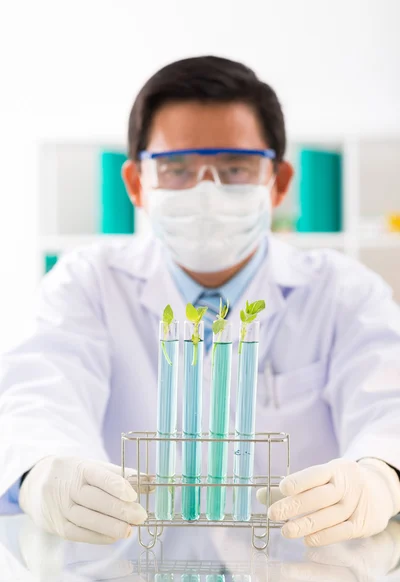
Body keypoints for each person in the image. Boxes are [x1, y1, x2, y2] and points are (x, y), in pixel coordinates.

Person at [0, 56, 399, 547]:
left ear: (278, 183)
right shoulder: (86, 284)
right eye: (176, 168)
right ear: (135, 184)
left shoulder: (343, 292)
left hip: (299, 577)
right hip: (125, 572)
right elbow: (37, 399)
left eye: (235, 167)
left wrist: (381, 476)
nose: (206, 191)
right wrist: (41, 472)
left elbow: (390, 407)